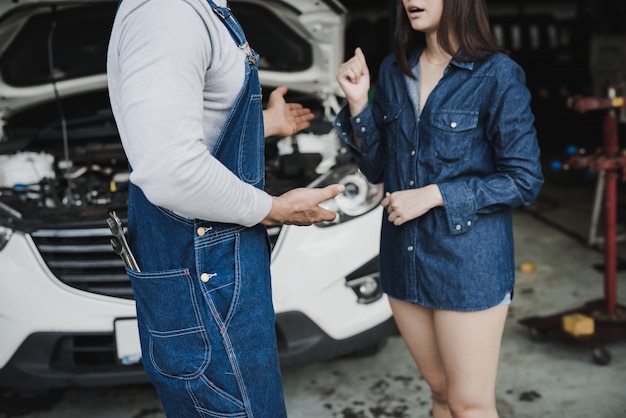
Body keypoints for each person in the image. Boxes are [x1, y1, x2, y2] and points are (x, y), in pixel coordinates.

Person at [106, 0, 344, 416]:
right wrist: (275, 209)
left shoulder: (199, 10)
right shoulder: (168, 13)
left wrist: (264, 125)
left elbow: (190, 133)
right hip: (203, 266)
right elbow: (169, 171)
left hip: (214, 263)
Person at [334, 1, 544, 417]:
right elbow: (377, 168)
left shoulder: (496, 74)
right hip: (403, 259)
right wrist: (359, 103)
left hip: (466, 266)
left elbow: (524, 180)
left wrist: (436, 194)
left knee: (469, 404)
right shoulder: (395, 73)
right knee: (441, 394)